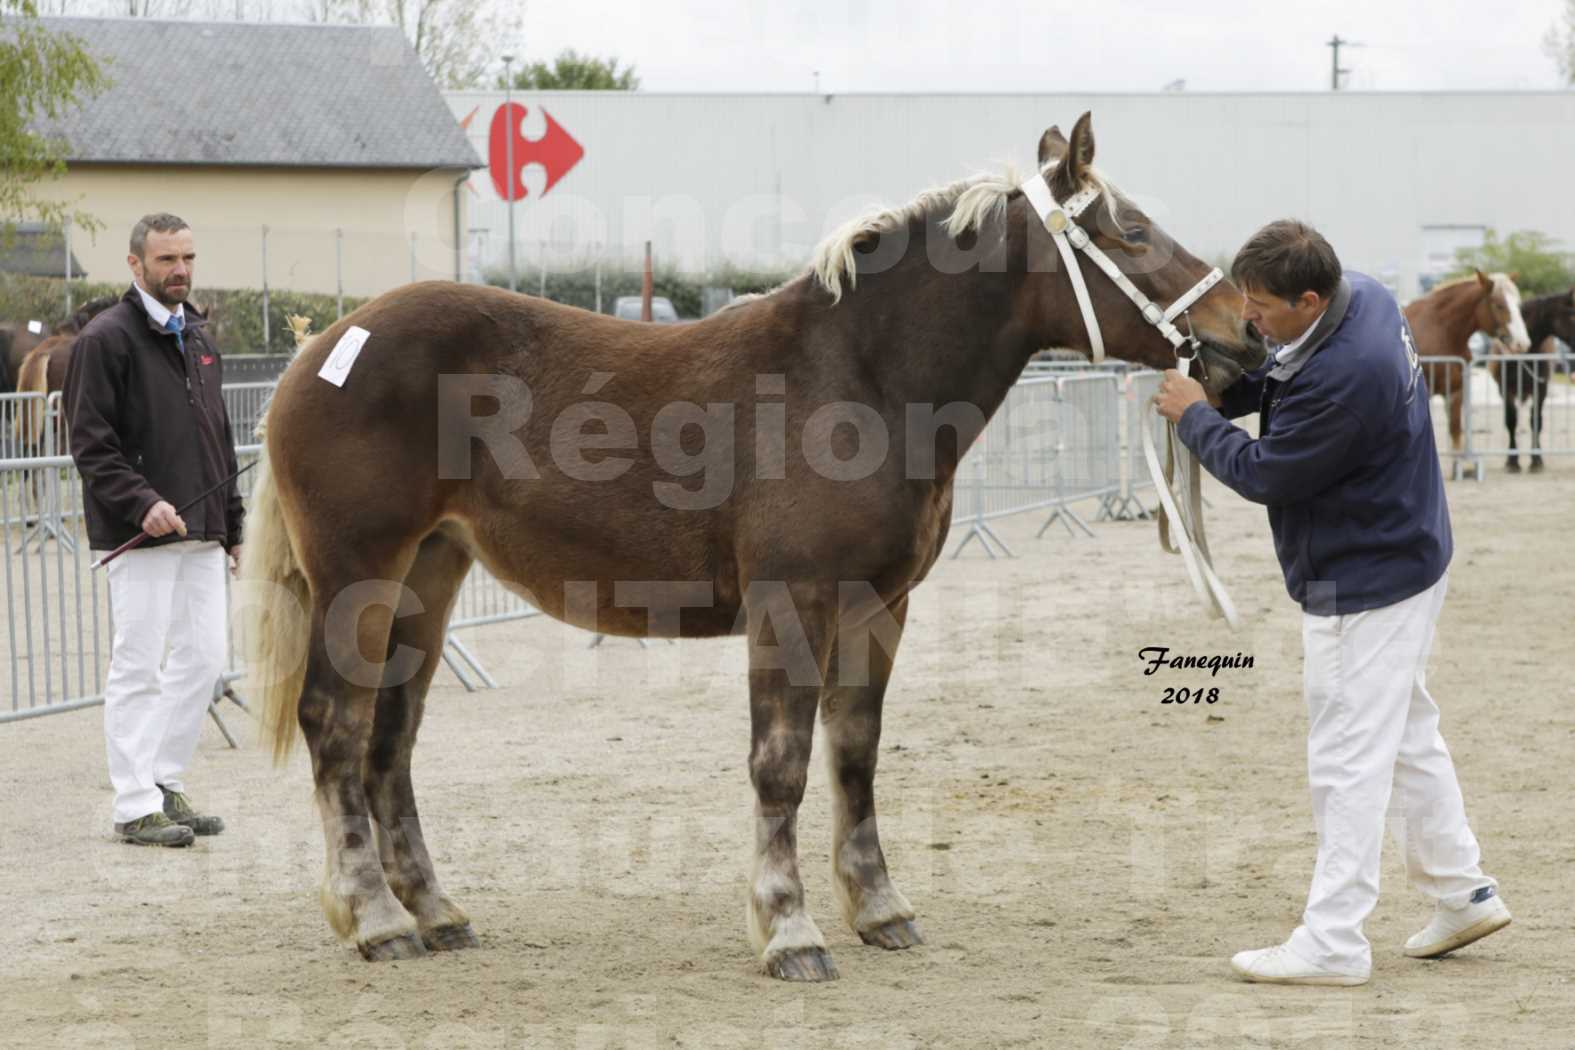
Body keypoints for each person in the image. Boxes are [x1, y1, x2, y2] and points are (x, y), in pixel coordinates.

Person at [1153, 220, 1509, 987]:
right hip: (1404, 554)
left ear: (1308, 298)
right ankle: (1462, 890)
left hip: (1365, 581)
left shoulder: (1347, 378)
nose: (1249, 320)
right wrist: (1224, 387)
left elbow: (1266, 474)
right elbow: (1279, 371)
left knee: (1345, 758)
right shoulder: (1366, 301)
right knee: (1406, 735)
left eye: (1260, 306)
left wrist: (1195, 417)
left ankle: (1334, 940)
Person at [64, 213, 242, 847]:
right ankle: (133, 803)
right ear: (135, 265)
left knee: (207, 658)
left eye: (188, 257)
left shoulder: (198, 334)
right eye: (167, 260)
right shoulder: (105, 339)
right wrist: (141, 503)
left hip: (203, 528)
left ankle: (165, 780)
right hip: (139, 533)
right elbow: (89, 442)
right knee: (138, 664)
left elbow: (218, 434)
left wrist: (235, 523)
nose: (181, 270)